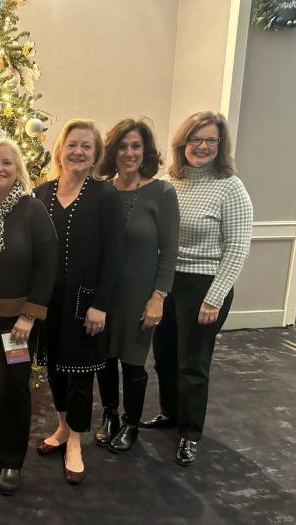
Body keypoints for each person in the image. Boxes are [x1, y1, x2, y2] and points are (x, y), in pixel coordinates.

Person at [142, 111, 252, 466]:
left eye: (210, 140)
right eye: (195, 139)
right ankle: (170, 413)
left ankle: (190, 432)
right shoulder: (169, 180)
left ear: (221, 146)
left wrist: (214, 297)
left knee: (193, 363)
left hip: (203, 286)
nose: (202, 146)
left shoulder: (231, 187)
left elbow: (236, 248)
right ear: (182, 143)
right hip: (166, 283)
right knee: (164, 355)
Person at [0, 138, 57, 495]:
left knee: (13, 387)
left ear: (18, 169)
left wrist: (30, 315)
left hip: (16, 322)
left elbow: (47, 265)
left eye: (7, 163)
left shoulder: (31, 210)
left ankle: (12, 460)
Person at [33, 119, 123, 484]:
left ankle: (76, 443)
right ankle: (61, 427)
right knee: (54, 366)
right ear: (60, 149)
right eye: (73, 144)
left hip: (86, 301)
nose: (79, 152)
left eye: (87, 146)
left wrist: (101, 303)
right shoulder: (41, 193)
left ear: (96, 154)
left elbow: (113, 255)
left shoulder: (106, 196)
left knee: (81, 373)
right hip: (48, 300)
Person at [92, 119, 179, 453]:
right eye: (123, 146)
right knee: (105, 356)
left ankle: (131, 422)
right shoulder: (103, 190)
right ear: (112, 151)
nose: (129, 153)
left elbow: (170, 249)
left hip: (140, 293)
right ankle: (110, 415)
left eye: (136, 146)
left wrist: (158, 296)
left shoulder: (162, 192)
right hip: (105, 292)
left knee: (132, 359)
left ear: (146, 152)